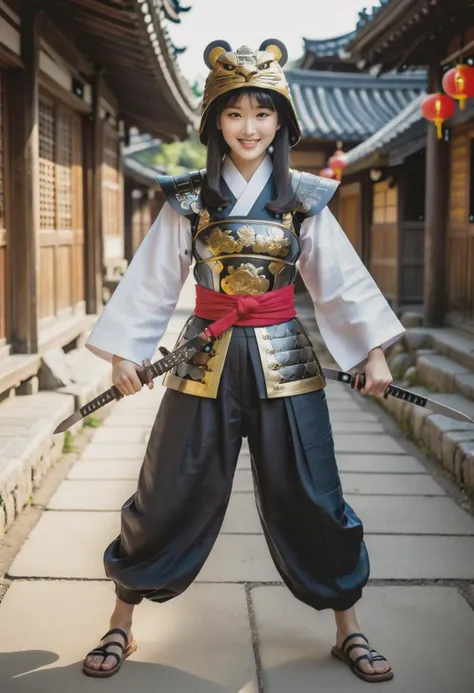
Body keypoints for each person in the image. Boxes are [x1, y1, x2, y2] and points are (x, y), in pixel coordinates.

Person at [82, 39, 403, 683]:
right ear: (214, 123)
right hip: (203, 359)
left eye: (262, 113)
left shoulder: (305, 197)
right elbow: (151, 281)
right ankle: (120, 622)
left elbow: (337, 281)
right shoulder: (189, 197)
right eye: (234, 114)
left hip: (286, 359)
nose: (249, 128)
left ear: (281, 120)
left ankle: (349, 629)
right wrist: (124, 352)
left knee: (315, 494)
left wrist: (372, 352)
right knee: (166, 489)